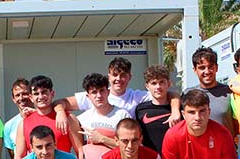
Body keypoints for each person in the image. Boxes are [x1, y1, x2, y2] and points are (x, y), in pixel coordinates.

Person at [53, 56, 181, 132]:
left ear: (130, 77)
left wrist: (175, 111)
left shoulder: (138, 96)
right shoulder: (96, 95)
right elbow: (60, 103)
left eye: (123, 75)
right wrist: (60, 113)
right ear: (108, 76)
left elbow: (171, 94)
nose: (118, 79)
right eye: (115, 75)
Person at [135, 65, 174, 152]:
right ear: (147, 86)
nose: (158, 87)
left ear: (169, 83)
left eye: (162, 82)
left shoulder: (177, 109)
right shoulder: (140, 109)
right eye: (154, 83)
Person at [2, 77, 32, 159]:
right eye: (17, 95)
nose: (21, 98)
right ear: (13, 99)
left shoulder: (43, 118)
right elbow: (14, 157)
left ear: (31, 95)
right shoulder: (8, 126)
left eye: (25, 93)